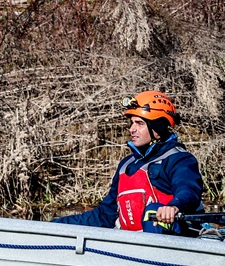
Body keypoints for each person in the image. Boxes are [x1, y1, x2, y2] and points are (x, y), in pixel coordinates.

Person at [53, 90, 204, 233]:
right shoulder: (126, 166)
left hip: (174, 241)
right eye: (131, 123)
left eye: (140, 123)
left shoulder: (180, 159)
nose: (132, 129)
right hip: (134, 248)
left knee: (154, 210)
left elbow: (188, 191)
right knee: (58, 224)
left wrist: (173, 206)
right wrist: (53, 226)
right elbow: (104, 216)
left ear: (157, 129)